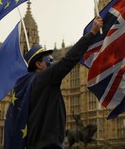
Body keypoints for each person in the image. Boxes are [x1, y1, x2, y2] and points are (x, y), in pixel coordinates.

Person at [23, 16, 103, 149]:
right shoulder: (43, 78)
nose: (52, 62)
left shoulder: (30, 84)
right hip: (47, 145)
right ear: (38, 64)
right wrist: (92, 33)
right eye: (48, 60)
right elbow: (68, 61)